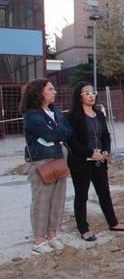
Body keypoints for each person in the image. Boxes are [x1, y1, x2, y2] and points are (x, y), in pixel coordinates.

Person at [67, 82, 124, 241]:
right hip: (81, 162)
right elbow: (72, 141)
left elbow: (105, 136)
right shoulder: (73, 116)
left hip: (100, 161)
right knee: (81, 196)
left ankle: (113, 223)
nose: (91, 95)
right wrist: (90, 153)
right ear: (79, 97)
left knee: (104, 193)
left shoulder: (99, 114)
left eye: (93, 92)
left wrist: (105, 151)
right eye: (87, 93)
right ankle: (83, 229)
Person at [21, 79, 73, 254]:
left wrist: (59, 134)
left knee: (58, 199)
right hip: (41, 161)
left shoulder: (55, 111)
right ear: (39, 92)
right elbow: (51, 135)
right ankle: (39, 241)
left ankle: (52, 235)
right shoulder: (32, 115)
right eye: (50, 89)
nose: (54, 92)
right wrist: (60, 133)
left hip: (59, 158)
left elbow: (69, 131)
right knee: (41, 201)